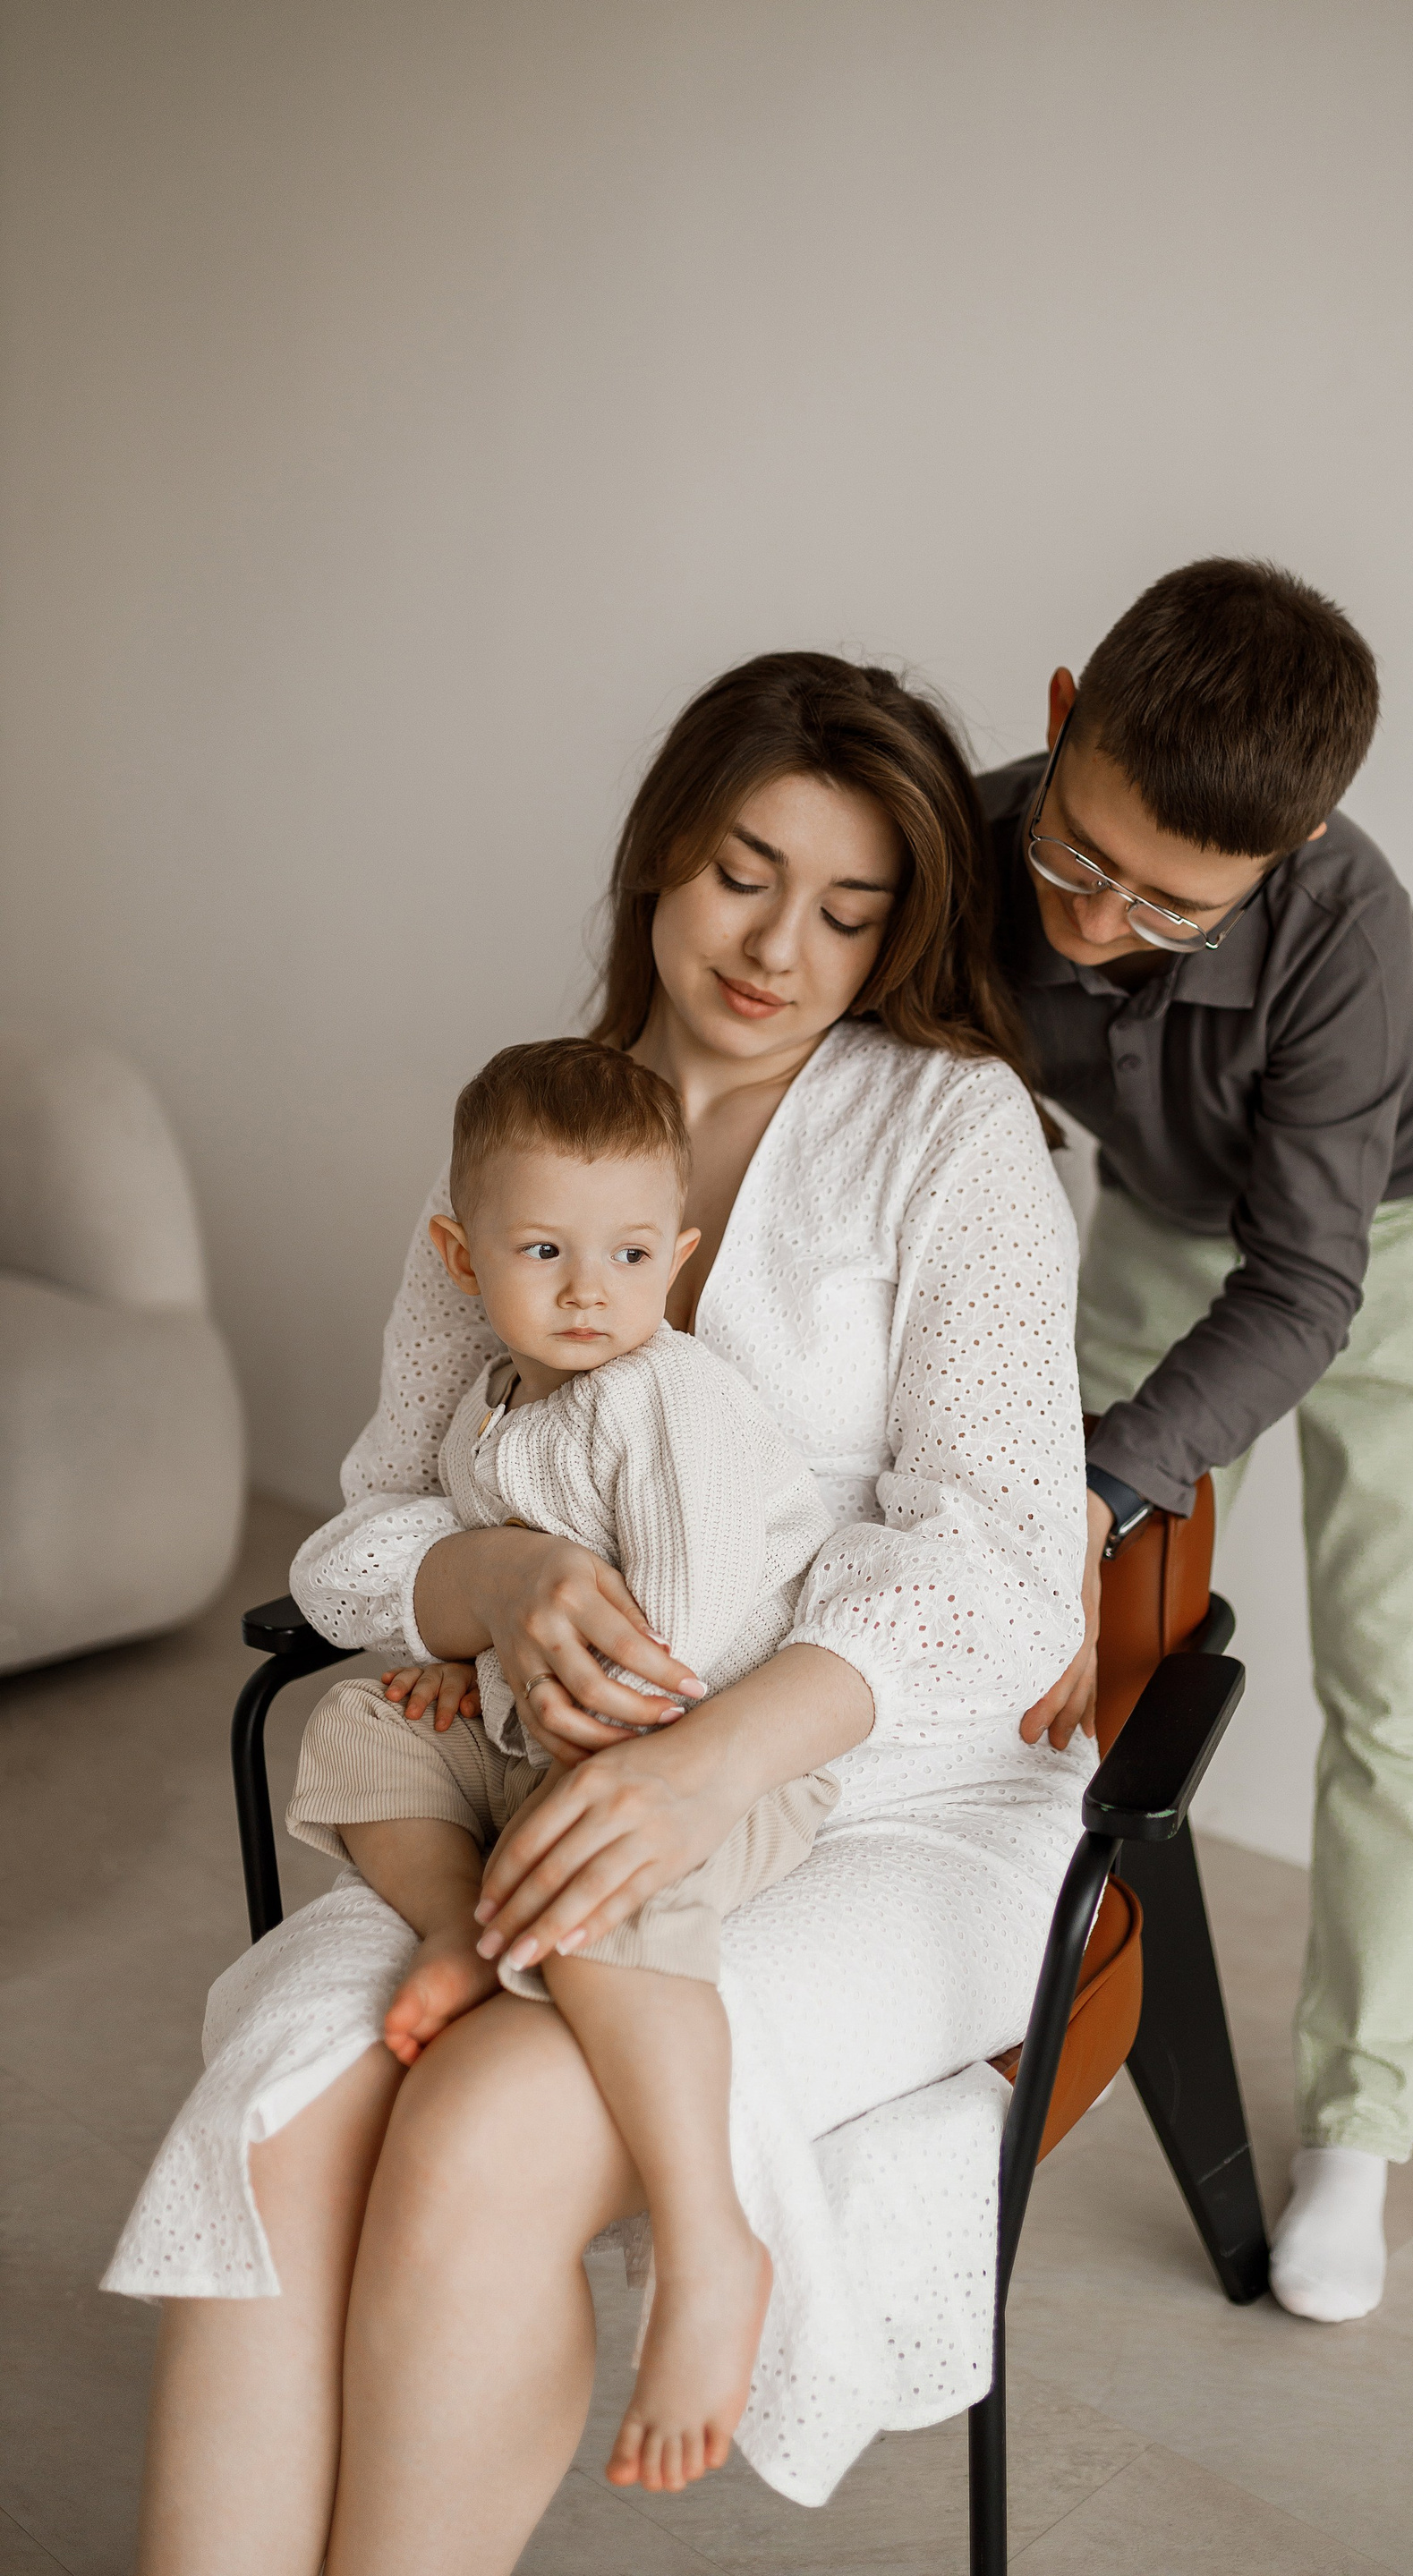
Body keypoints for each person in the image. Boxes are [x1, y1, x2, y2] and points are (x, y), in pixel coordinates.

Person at [105, 650, 1091, 2567]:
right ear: (657, 853)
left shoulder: (948, 1132)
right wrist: (496, 1581)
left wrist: (703, 1768)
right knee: (283, 2120)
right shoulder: (526, 1133)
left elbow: (1000, 1559)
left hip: (892, 1796)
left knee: (481, 2128)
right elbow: (369, 1527)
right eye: (742, 874)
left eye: (849, 910)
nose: (780, 948)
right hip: (535, 1775)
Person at [995, 558, 1413, 2325]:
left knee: (1400, 1689)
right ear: (1062, 719)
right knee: (1042, 1610)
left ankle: (1358, 2132)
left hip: (1397, 1237)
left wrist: (1104, 1478)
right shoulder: (959, 840)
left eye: (1167, 906)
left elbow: (1306, 1287)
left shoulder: (1349, 931)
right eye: (1081, 858)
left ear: (1286, 856)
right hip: (1163, 1217)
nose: (1096, 922)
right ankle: (1014, 1968)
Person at [283, 1034, 840, 2487]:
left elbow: (677, 1636)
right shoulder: (492, 1404)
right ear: (462, 1260)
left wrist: (518, 1683)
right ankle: (461, 1931)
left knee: (599, 1888)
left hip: (693, 1746)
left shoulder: (667, 1398)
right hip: (550, 1729)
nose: (591, 1289)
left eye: (631, 1254)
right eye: (544, 1251)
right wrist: (463, 1660)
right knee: (356, 1727)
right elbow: (493, 1587)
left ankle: (710, 2239)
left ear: (680, 1257)